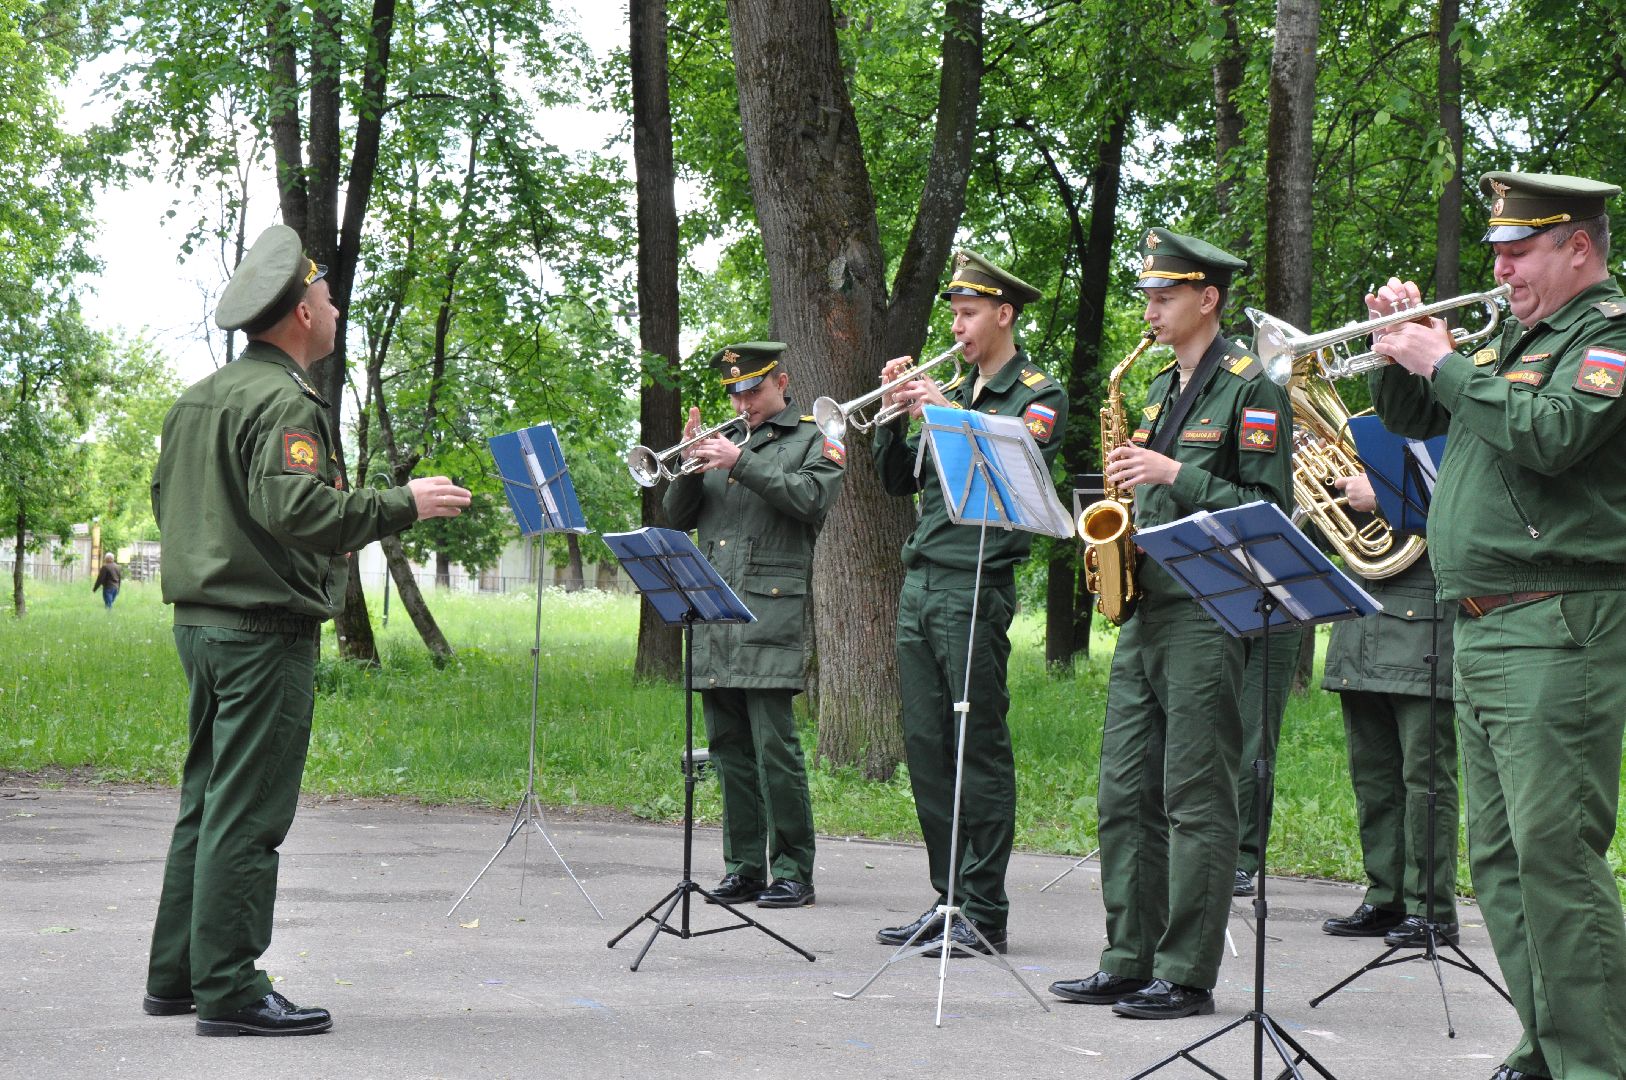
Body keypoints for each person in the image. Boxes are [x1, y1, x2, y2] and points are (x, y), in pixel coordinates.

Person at [144, 225, 471, 1037]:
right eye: (324, 297)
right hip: (260, 633)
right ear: (298, 314)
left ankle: (178, 975)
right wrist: (403, 502)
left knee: (207, 800)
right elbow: (298, 510)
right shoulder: (287, 401)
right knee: (249, 811)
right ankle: (230, 989)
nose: (332, 307)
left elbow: (170, 504)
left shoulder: (201, 397)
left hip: (201, 625)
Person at [1366, 171, 1626, 1080]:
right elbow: (1408, 426)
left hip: (1557, 622)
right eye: (1497, 252)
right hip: (1481, 625)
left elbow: (1554, 435)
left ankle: (1597, 1062)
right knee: (1501, 860)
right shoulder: (1513, 335)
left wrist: (1443, 360)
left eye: (1519, 250)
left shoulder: (1608, 336)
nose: (1501, 268)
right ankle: (1549, 1042)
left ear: (1578, 247)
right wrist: (1393, 345)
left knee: (1557, 854)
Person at [1049, 229, 1292, 1019]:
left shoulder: (1253, 388)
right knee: (1123, 793)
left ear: (1207, 299)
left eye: (1163, 297)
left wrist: (1173, 473)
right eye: (1147, 297)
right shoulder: (1153, 390)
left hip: (1207, 611)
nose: (1149, 310)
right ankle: (1129, 956)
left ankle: (1186, 972)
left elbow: (1272, 513)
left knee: (1195, 795)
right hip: (1145, 607)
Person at [871, 249, 1067, 957]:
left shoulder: (1036, 394)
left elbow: (1019, 480)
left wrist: (943, 411)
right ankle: (947, 897)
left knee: (973, 749)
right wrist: (895, 415)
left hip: (975, 586)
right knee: (926, 748)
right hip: (921, 582)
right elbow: (897, 481)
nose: (955, 328)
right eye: (952, 315)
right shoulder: (950, 389)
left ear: (1004, 315)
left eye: (968, 314)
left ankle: (986, 908)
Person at [663, 342, 846, 909]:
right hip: (715, 613)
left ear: (782, 382)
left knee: (775, 749)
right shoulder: (725, 443)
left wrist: (739, 462)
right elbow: (675, 516)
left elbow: (811, 498)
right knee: (728, 751)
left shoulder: (816, 437)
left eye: (754, 390)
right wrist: (693, 463)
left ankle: (793, 870)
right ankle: (744, 867)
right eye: (735, 393)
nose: (744, 402)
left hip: (771, 610)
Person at [1318, 473, 1459, 947]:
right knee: (1373, 779)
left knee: (1425, 781)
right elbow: (1329, 538)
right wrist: (1324, 498)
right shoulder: (1368, 433)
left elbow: (1468, 504)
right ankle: (1385, 897)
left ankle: (1431, 909)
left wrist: (1386, 495)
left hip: (1422, 627)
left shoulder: (1454, 425)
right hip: (1361, 623)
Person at [1232, 627, 1301, 896]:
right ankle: (1189, 850)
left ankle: (1239, 858)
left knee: (1254, 741)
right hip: (1210, 610)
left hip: (1279, 613)